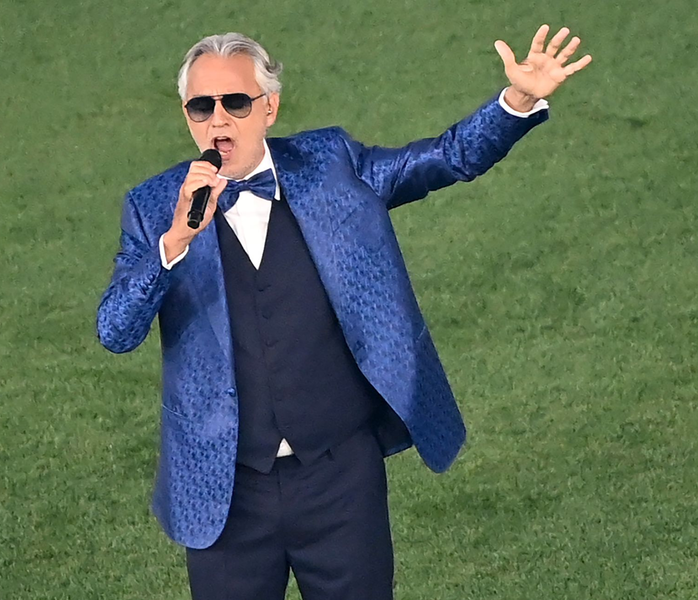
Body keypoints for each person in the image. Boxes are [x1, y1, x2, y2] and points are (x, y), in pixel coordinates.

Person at [96, 27, 591, 600]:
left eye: (235, 102)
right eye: (200, 107)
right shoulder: (155, 205)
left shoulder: (329, 164)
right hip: (224, 493)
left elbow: (445, 158)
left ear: (269, 107)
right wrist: (174, 241)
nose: (218, 120)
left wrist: (518, 102)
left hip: (338, 480)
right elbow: (115, 330)